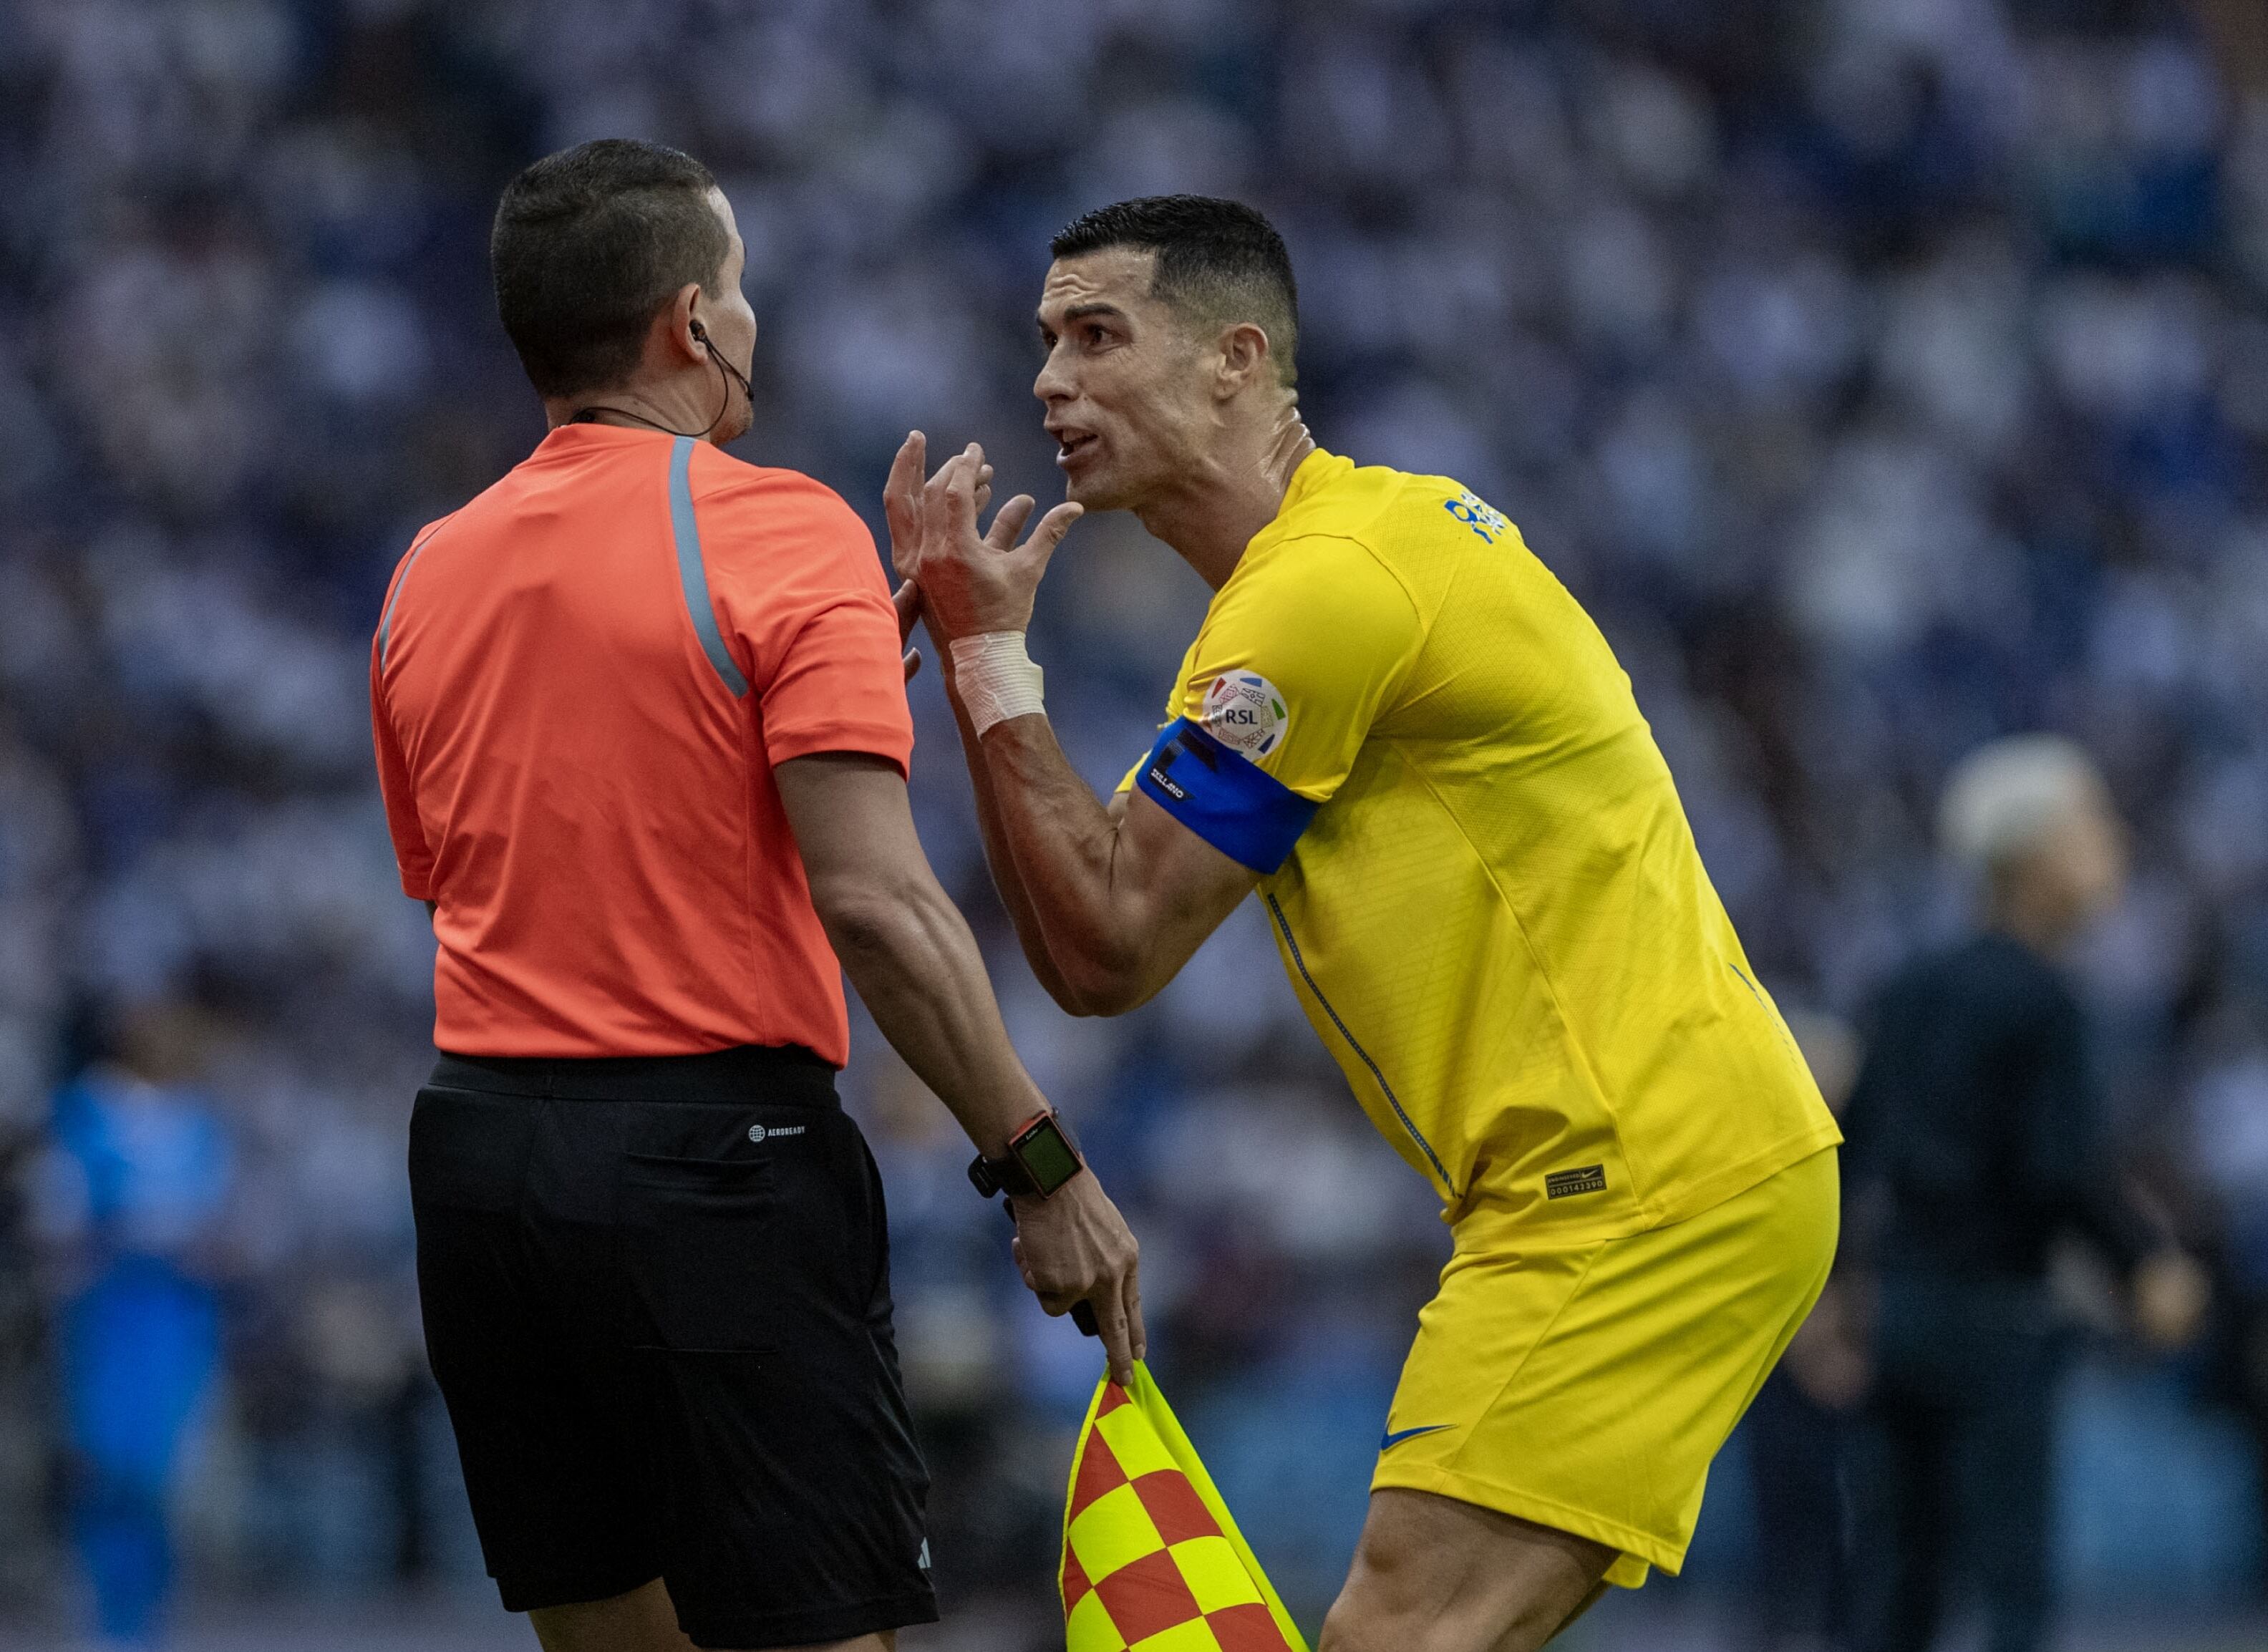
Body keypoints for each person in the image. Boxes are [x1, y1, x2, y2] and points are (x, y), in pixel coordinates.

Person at [888, 195, 1843, 1652]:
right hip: (1650, 1167)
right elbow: (1100, 940)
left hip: (1631, 1183)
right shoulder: (1323, 574)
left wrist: (984, 656)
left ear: (1234, 358)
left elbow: (1108, 942)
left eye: (1097, 335)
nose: (1047, 382)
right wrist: (988, 661)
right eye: (1042, 342)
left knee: (1400, 1630)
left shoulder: (1329, 592)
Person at [369, 140, 1143, 1652]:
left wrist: (840, 667)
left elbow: (494, 862)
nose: (754, 320)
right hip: (713, 1166)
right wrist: (1039, 1165)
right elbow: (881, 906)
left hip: (481, 1168)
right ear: (688, 323)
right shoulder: (778, 524)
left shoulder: (426, 570)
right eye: (739, 287)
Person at [1839, 735, 2208, 1652]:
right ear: (2032, 854)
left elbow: (1849, 1150)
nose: (2111, 840)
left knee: (1900, 1577)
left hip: (1902, 1309)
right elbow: (2062, 1169)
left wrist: (1837, 1299)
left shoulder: (1912, 986)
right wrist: (2144, 1263)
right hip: (1999, 1317)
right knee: (2015, 1587)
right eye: (2091, 821)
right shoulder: (2046, 1001)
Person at [30, 1002, 233, 1648]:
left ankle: (148, 1619)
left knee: (158, 1471)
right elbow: (58, 1215)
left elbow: (223, 1224)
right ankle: (107, 1617)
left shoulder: (198, 1121)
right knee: (106, 1461)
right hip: (108, 1311)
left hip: (176, 1315)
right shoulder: (84, 1112)